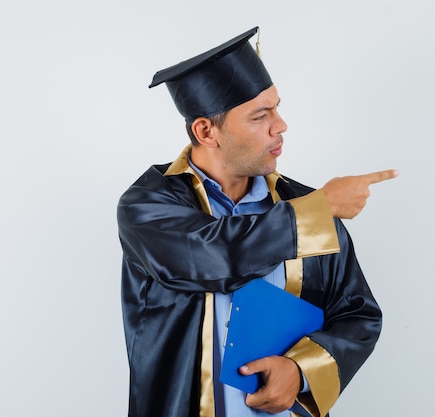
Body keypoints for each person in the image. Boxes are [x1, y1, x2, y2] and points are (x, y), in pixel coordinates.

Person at [117, 26, 397, 417]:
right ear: (205, 131)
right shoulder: (148, 206)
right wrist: (319, 210)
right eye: (260, 116)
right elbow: (212, 257)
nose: (280, 125)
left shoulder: (304, 205)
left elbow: (357, 315)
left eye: (277, 108)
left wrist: (299, 371)